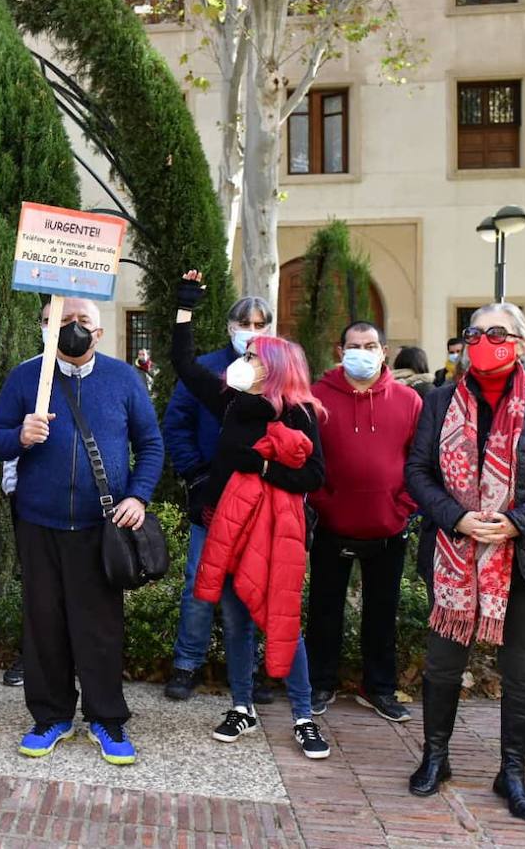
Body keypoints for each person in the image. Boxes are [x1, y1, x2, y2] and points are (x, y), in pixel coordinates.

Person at [406, 302, 525, 821]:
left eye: (498, 333)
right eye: (476, 333)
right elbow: (418, 472)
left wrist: (517, 521)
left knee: (522, 670)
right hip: (456, 551)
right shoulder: (438, 400)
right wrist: (456, 519)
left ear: (523, 343)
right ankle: (435, 757)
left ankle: (512, 773)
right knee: (442, 664)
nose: (485, 342)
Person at [0, 298, 163, 766]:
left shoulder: (124, 379)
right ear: (46, 329)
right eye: (64, 321)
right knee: (44, 623)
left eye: (83, 321)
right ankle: (51, 716)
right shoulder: (27, 378)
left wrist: (138, 497)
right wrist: (19, 437)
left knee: (100, 627)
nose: (74, 328)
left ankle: (107, 718)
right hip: (39, 523)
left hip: (98, 527)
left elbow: (150, 444)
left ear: (100, 332)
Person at [171, 270, 331, 760]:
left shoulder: (300, 413)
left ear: (275, 368)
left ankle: (303, 715)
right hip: (232, 527)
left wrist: (263, 465)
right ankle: (243, 705)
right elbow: (183, 363)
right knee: (236, 620)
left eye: (255, 358)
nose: (245, 360)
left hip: (277, 533)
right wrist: (185, 309)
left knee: (282, 620)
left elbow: (314, 477)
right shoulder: (231, 402)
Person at [161, 294, 276, 703]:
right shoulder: (209, 370)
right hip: (211, 494)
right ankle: (187, 664)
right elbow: (176, 424)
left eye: (261, 324)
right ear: (230, 326)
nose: (252, 331)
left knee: (255, 581)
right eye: (246, 323)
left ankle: (249, 668)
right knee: (199, 580)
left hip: (261, 498)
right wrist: (196, 474)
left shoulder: (278, 372)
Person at [307, 322, 422, 722]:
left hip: (388, 525)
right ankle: (320, 683)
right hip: (331, 523)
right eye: (354, 346)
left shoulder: (409, 400)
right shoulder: (316, 397)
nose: (362, 352)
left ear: (384, 351)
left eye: (370, 345)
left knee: (382, 610)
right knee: (324, 609)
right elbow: (306, 457)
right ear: (340, 351)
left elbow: (420, 461)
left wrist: (403, 505)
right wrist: (325, 503)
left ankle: (379, 688)